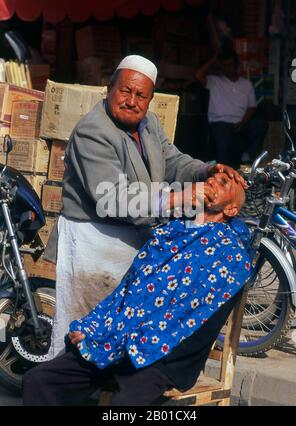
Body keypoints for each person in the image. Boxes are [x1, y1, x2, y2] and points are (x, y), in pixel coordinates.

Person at [46, 54, 246, 358]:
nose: (131, 101)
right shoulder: (93, 131)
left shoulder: (148, 123)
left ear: (150, 100)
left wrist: (207, 170)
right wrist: (178, 197)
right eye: (125, 91)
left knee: (115, 337)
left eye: (141, 95)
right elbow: (112, 198)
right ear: (109, 89)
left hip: (132, 237)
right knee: (81, 334)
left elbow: (171, 159)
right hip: (92, 242)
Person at [23, 172, 252, 406]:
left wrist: (145, 340)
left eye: (224, 183)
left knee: (124, 406)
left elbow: (198, 321)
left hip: (166, 356)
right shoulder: (171, 232)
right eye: (212, 177)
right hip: (117, 340)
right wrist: (96, 327)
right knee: (38, 380)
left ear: (231, 210)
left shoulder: (230, 255)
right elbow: (127, 292)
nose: (212, 181)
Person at [196, 48, 268, 168]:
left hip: (241, 123)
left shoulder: (246, 84)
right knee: (221, 135)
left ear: (236, 65)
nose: (227, 68)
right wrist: (214, 58)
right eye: (224, 65)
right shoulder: (214, 81)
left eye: (230, 65)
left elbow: (252, 107)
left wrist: (243, 122)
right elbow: (198, 75)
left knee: (260, 125)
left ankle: (247, 157)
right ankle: (224, 169)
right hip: (220, 123)